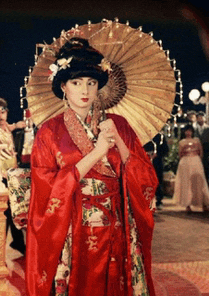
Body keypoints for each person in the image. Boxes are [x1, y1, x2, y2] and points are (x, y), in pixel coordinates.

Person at [26, 38, 158, 296]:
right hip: (75, 228)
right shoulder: (49, 133)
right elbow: (45, 189)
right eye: (76, 83)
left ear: (99, 87)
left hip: (117, 227)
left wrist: (118, 140)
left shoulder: (118, 124)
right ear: (63, 86)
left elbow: (146, 178)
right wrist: (97, 151)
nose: (84, 89)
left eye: (91, 82)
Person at [0, 97, 26, 255]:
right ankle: (7, 243)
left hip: (11, 171)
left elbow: (11, 127)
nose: (0, 116)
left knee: (13, 207)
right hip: (1, 173)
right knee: (6, 208)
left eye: (3, 111)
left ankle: (14, 241)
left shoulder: (5, 127)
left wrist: (18, 125)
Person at [173, 123, 209, 212]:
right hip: (185, 163)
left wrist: (197, 160)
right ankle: (187, 204)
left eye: (190, 131)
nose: (188, 132)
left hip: (196, 161)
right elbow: (180, 154)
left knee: (199, 181)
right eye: (186, 131)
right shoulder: (181, 142)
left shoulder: (196, 140)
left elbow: (201, 152)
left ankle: (204, 203)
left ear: (192, 132)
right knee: (186, 182)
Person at [144, 133, 169, 210]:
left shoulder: (160, 136)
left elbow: (165, 149)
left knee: (157, 180)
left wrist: (156, 154)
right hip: (144, 161)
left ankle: (159, 200)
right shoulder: (143, 134)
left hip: (157, 162)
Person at [194, 111, 209, 182]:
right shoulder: (194, 128)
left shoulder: (207, 128)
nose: (200, 119)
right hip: (196, 151)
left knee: (206, 167)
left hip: (206, 151)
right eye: (199, 118)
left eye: (201, 117)